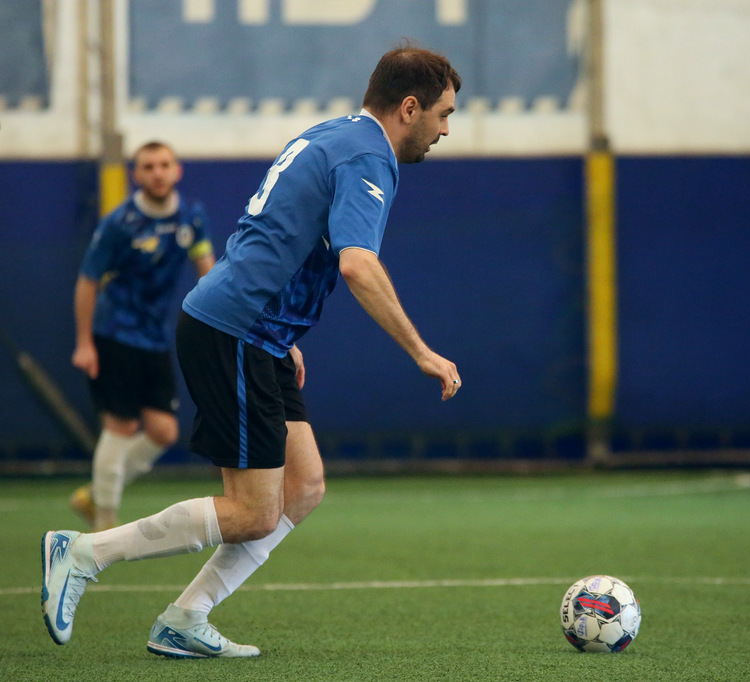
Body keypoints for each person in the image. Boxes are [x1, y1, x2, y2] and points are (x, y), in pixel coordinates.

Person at [42, 45, 463, 659]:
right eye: (443, 114)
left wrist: (283, 334)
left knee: (304, 485)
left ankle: (186, 617)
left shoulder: (333, 134)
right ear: (408, 108)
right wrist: (421, 351)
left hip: (258, 333)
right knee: (253, 513)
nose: (445, 129)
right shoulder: (370, 156)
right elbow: (357, 264)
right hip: (237, 330)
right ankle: (82, 553)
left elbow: (266, 232)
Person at [70, 142, 215, 531]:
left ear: (177, 170)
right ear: (136, 174)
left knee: (164, 431)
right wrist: (84, 342)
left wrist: (221, 317)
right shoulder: (119, 223)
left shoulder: (191, 217)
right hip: (114, 333)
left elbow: (207, 268)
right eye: (148, 166)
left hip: (154, 337)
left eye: (164, 164)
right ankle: (104, 521)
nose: (157, 173)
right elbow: (87, 280)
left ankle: (95, 494)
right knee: (120, 425)